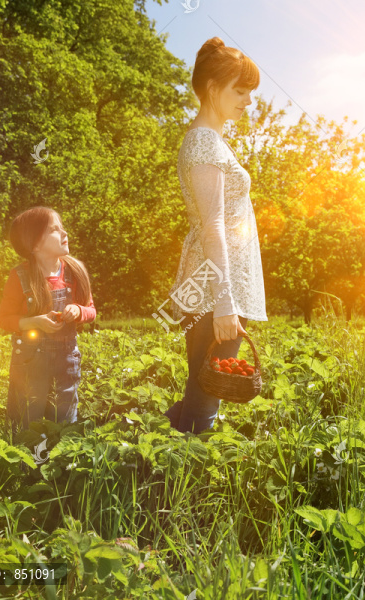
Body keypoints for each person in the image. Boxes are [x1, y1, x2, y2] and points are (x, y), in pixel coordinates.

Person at [164, 37, 268, 434]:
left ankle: (154, 466)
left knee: (202, 387)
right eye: (239, 91)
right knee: (207, 396)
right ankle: (186, 484)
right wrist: (225, 303)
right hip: (213, 287)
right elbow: (212, 227)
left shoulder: (212, 140)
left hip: (214, 284)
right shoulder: (205, 142)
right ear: (212, 89)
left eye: (250, 92)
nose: (248, 101)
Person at [0, 206, 96, 435]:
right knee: (29, 415)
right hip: (31, 360)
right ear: (35, 244)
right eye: (54, 229)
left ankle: (63, 458)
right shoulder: (20, 276)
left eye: (62, 227)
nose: (64, 233)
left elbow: (91, 311)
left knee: (66, 415)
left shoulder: (75, 271)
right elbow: (4, 320)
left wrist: (78, 310)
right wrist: (35, 322)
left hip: (67, 357)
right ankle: (29, 459)